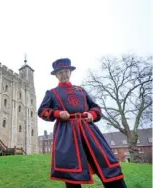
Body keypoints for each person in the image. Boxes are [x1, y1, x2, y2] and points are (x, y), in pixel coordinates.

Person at [38, 58, 127, 188]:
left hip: (89, 130)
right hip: (67, 133)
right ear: (56, 75)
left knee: (107, 163)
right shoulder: (52, 93)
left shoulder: (81, 90)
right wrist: (57, 114)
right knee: (71, 172)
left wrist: (92, 114)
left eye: (66, 71)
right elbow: (42, 111)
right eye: (60, 72)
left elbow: (96, 108)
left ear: (70, 72)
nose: (64, 74)